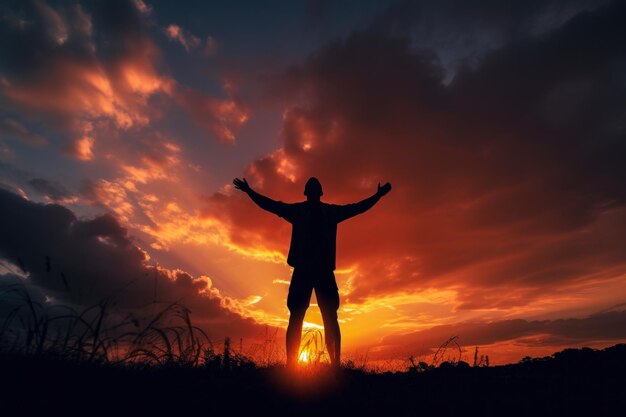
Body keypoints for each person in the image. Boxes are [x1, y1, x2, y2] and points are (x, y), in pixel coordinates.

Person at [233, 176, 391, 368]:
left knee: (328, 317)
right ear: (312, 193)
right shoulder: (305, 212)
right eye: (313, 190)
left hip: (320, 270)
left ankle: (333, 365)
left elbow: (357, 208)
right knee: (301, 316)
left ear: (310, 193)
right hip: (305, 270)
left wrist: (377, 196)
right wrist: (250, 192)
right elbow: (270, 205)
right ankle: (295, 365)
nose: (314, 193)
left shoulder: (322, 212)